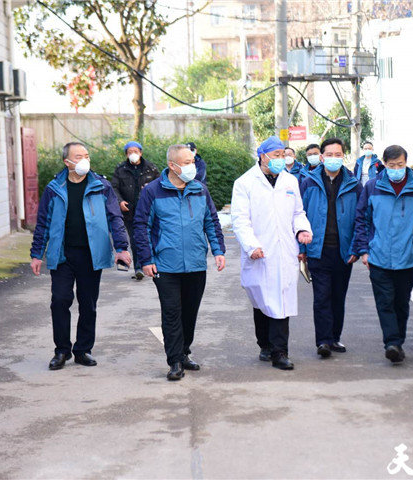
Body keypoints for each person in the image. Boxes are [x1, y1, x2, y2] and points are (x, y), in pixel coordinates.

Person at [30, 142, 131, 371]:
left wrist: (122, 247)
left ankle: (83, 349)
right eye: (78, 156)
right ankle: (61, 350)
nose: (84, 160)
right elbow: (43, 222)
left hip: (91, 255)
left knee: (88, 304)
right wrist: (36, 254)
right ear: (67, 162)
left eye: (86, 155)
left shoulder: (101, 186)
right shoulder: (54, 188)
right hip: (62, 254)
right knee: (59, 301)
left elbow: (114, 217)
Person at [133, 144, 226, 381]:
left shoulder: (200, 190)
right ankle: (174, 360)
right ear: (172, 166)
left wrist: (218, 251)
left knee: (190, 312)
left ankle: (184, 352)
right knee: (172, 312)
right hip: (165, 264)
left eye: (192, 162)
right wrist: (146, 259)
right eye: (186, 163)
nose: (192, 166)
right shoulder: (153, 191)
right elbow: (141, 226)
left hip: (196, 263)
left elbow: (211, 222)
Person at [231, 136, 313, 370]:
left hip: (285, 251)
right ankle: (265, 344)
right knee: (261, 302)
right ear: (262, 156)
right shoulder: (245, 183)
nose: (281, 159)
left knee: (281, 302)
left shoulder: (290, 180)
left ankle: (280, 352)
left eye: (282, 155)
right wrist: (251, 245)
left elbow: (298, 212)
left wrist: (302, 230)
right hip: (260, 252)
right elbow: (240, 220)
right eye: (276, 155)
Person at [353, 145, 413, 364]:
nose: (396, 169)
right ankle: (392, 343)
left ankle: (398, 340)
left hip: (406, 256)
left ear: (406, 163)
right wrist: (364, 250)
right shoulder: (372, 187)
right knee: (384, 302)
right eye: (392, 165)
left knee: (401, 302)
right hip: (378, 255)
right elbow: (361, 219)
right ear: (384, 164)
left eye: (400, 165)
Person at [299, 138, 362, 358]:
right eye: (329, 155)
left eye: (338, 155)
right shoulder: (308, 182)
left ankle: (334, 337)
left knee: (338, 296)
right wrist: (302, 248)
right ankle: (323, 341)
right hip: (318, 249)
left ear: (343, 156)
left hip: (343, 251)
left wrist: (356, 247)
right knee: (321, 297)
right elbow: (299, 215)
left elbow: (361, 219)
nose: (334, 158)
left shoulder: (354, 184)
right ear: (322, 157)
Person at [110, 141, 160, 280]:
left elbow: (160, 185)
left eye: (135, 151)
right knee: (135, 239)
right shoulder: (121, 169)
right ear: (126, 154)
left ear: (141, 152)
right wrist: (120, 201)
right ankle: (139, 267)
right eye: (130, 152)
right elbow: (114, 187)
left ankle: (152, 263)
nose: (133, 154)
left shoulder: (151, 168)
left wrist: (150, 189)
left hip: (148, 210)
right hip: (130, 211)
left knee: (150, 238)